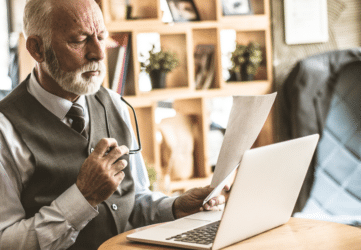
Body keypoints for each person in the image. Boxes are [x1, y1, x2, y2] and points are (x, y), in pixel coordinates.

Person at [0, 0, 228, 249]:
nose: (98, 53)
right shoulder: (5, 129)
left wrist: (174, 206)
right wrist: (83, 198)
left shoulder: (116, 105)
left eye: (101, 36)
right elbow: (6, 241)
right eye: (79, 40)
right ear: (37, 48)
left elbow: (134, 199)